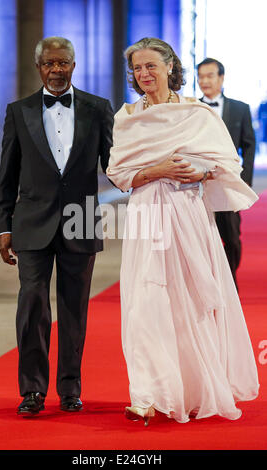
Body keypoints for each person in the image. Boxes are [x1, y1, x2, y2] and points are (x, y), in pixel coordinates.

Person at [106, 37, 259, 425]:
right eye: (137, 68)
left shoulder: (198, 114)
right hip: (146, 213)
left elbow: (226, 167)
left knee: (188, 301)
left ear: (170, 67)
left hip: (189, 213)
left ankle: (192, 389)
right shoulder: (126, 117)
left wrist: (201, 171)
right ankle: (146, 396)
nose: (143, 75)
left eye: (150, 66)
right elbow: (120, 175)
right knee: (145, 300)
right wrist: (159, 170)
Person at [0, 36, 113, 415]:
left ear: (74, 66)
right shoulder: (19, 110)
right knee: (32, 304)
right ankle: (31, 389)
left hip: (81, 222)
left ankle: (70, 389)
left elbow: (115, 165)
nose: (56, 70)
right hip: (31, 223)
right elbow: (7, 175)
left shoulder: (98, 108)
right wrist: (2, 226)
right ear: (39, 67)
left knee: (74, 308)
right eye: (49, 64)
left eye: (63, 63)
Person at [197, 58, 256, 289]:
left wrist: (245, 181)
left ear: (221, 78)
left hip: (228, 183)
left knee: (231, 238)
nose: (205, 81)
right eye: (201, 76)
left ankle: (230, 283)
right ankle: (208, 285)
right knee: (202, 238)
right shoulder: (193, 107)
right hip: (200, 184)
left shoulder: (240, 109)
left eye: (210, 76)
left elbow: (249, 146)